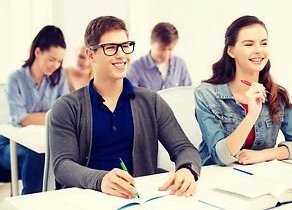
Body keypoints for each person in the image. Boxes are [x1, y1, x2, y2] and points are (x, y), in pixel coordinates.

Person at [48, 16, 201, 199]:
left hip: (140, 197)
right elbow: (62, 166)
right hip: (88, 197)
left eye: (125, 46)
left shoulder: (151, 101)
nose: (121, 55)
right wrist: (100, 180)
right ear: (90, 55)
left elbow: (184, 148)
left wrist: (186, 169)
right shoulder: (67, 107)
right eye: (111, 48)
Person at [194, 16, 292, 167]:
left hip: (257, 179)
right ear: (231, 51)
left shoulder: (276, 95)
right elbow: (221, 157)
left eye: (264, 43)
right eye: (249, 44)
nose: (259, 50)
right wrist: (251, 116)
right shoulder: (206, 94)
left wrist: (264, 155)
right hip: (215, 177)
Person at [0, 25, 69, 194]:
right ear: (37, 52)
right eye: (52, 59)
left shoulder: (59, 79)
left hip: (43, 141)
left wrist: (37, 117)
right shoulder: (15, 78)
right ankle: (30, 200)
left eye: (59, 61)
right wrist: (51, 116)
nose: (55, 65)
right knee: (36, 154)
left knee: (52, 154)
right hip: (10, 144)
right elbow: (21, 118)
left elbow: (65, 114)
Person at [126, 22, 192, 91]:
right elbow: (130, 98)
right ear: (151, 42)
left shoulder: (180, 65)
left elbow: (187, 93)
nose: (166, 54)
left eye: (170, 49)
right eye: (162, 49)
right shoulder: (136, 68)